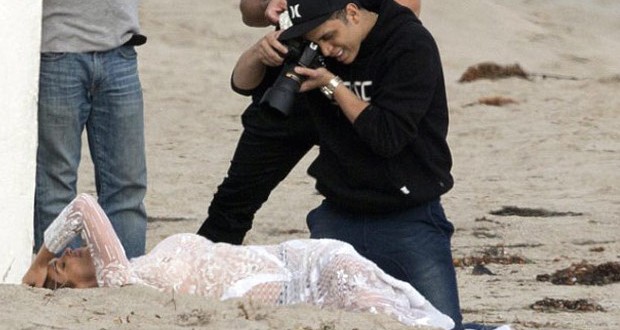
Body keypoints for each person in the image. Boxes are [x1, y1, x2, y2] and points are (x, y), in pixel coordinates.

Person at [229, 0, 476, 328]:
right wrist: (259, 53)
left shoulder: (410, 44)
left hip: (408, 218)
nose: (329, 50)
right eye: (320, 43)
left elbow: (388, 137)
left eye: (331, 36)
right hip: (337, 217)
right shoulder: (316, 47)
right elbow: (242, 84)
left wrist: (332, 85)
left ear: (353, 12)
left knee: (443, 325)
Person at [22, 194, 455, 330]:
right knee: (401, 319)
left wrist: (39, 263)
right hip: (301, 288)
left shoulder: (135, 265)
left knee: (407, 316)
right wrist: (39, 266)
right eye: (61, 267)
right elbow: (83, 206)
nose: (66, 254)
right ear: (80, 295)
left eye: (58, 257)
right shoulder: (121, 283)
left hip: (309, 261)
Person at [198, 0, 421, 244]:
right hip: (297, 72)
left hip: (357, 76)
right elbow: (248, 13)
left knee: (377, 194)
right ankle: (201, 271)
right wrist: (276, 6)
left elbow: (406, 8)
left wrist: (324, 11)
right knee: (235, 199)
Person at [35, 0, 148, 258]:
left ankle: (124, 279)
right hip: (56, 47)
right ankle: (60, 281)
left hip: (121, 48)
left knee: (128, 184)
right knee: (55, 181)